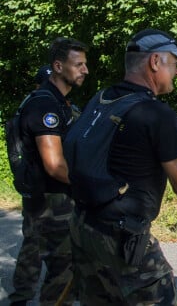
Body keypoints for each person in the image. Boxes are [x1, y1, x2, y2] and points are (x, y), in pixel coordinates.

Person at [68, 28, 177, 305]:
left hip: (83, 226)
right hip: (123, 238)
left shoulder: (103, 99)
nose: (176, 72)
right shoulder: (157, 114)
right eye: (174, 64)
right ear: (155, 62)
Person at [9, 38, 89, 306]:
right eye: (78, 65)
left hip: (49, 197)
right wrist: (89, 187)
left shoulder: (59, 103)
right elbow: (54, 164)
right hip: (51, 199)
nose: (85, 70)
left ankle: (21, 299)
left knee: (35, 253)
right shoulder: (45, 105)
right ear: (58, 66)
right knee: (63, 270)